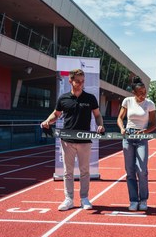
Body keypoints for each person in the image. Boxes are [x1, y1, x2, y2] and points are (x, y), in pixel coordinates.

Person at [41, 69, 104, 211]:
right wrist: (47, 121)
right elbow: (56, 114)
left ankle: (84, 198)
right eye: (78, 81)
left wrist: (100, 125)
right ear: (70, 81)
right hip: (67, 140)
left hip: (85, 141)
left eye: (83, 81)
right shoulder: (63, 98)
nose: (81, 84)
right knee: (67, 172)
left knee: (84, 171)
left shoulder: (90, 98)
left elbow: (97, 115)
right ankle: (68, 199)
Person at [117, 76, 156, 211]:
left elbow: (154, 124)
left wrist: (145, 131)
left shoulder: (150, 104)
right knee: (129, 171)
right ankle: (133, 200)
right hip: (128, 136)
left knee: (142, 170)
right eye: (140, 93)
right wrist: (122, 128)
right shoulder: (127, 101)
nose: (143, 95)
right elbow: (119, 118)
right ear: (134, 93)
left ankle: (143, 199)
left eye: (144, 92)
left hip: (142, 137)